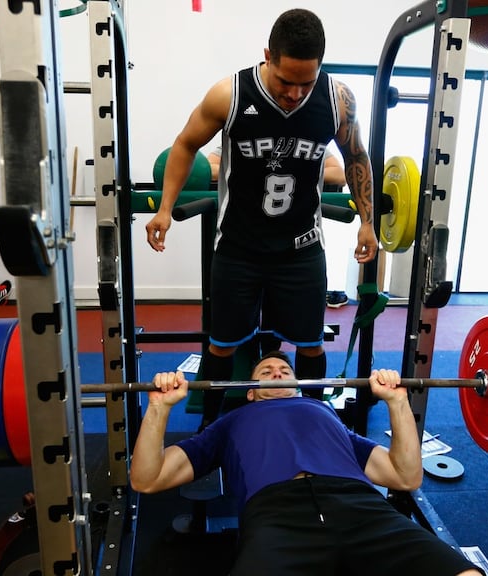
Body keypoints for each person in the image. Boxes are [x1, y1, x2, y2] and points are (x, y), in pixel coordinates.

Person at [145, 9, 379, 427]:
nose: (294, 93)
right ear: (267, 56)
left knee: (309, 347)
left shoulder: (338, 100)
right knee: (221, 347)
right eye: (285, 80)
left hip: (301, 249)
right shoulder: (230, 94)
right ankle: (210, 431)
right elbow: (184, 146)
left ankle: (311, 424)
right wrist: (165, 208)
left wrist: (367, 220)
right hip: (239, 249)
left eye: (305, 83)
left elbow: (357, 156)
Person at [131, 351, 483, 576]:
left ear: (299, 385)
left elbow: (405, 476)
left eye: (284, 370)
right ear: (250, 391)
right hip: (276, 518)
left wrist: (397, 401)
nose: (277, 373)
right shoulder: (230, 423)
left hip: (361, 508)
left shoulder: (324, 413)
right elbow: (148, 479)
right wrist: (160, 408)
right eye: (266, 371)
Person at [207, 144, 346, 187]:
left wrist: (292, 175)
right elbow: (208, 169)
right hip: (246, 223)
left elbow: (339, 175)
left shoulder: (305, 141)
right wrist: (252, 173)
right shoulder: (244, 139)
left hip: (296, 223)